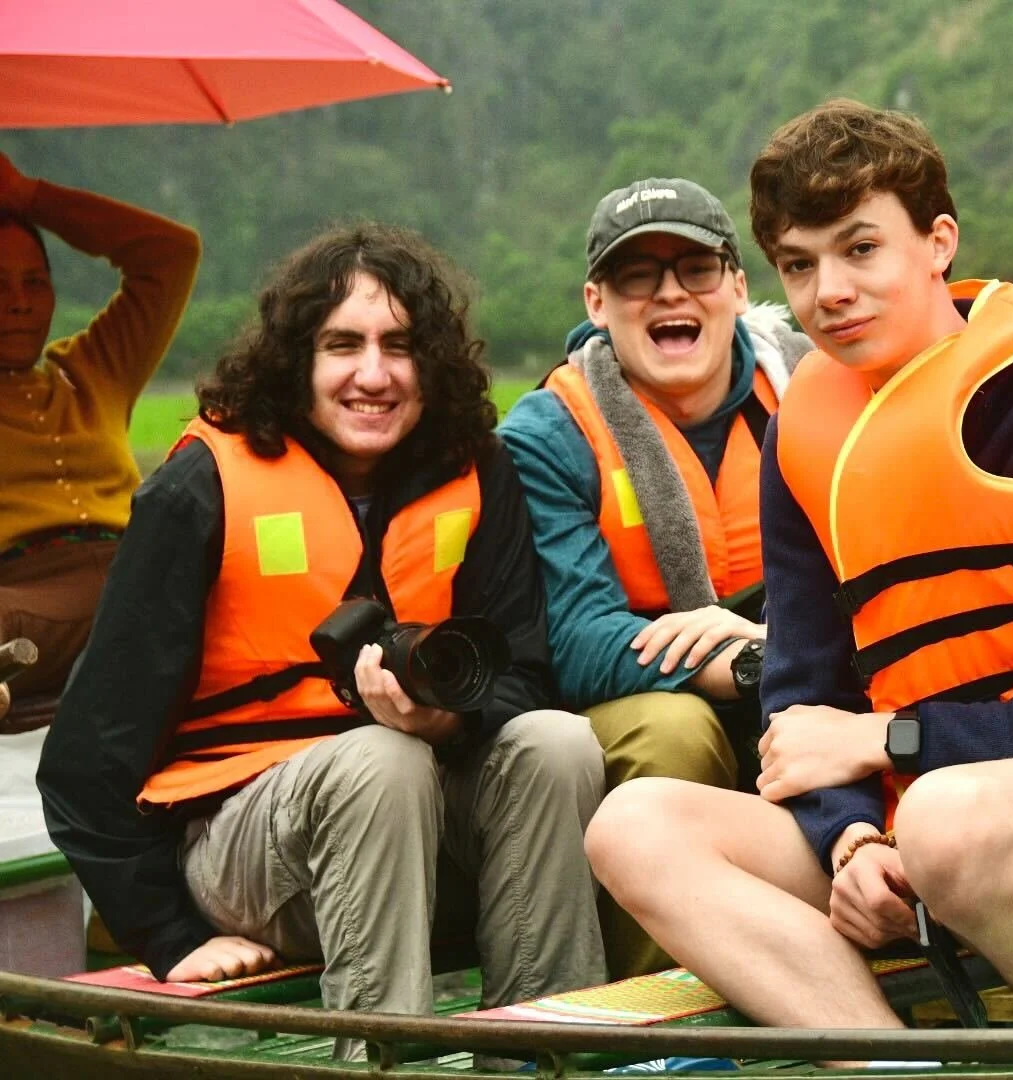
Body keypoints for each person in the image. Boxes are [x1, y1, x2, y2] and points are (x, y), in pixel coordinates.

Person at [584, 100, 1013, 1039]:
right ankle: (882, 1064)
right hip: (907, 814)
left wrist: (885, 745)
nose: (829, 293)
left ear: (938, 241)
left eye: (861, 249)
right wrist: (852, 838)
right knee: (634, 824)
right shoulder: (804, 439)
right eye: (799, 264)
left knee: (951, 823)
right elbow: (804, 705)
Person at [37, 224, 606, 1058]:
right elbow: (83, 762)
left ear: (433, 362)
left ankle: (541, 1054)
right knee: (380, 762)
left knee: (557, 743)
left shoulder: (477, 470)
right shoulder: (204, 485)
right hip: (246, 853)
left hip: (422, 841)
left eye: (400, 347)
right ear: (297, 359)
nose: (372, 375)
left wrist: (442, 721)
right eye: (343, 345)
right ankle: (380, 1061)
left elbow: (524, 673)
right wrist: (169, 932)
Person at [500, 178, 809, 977]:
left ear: (738, 288)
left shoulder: (819, 387)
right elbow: (577, 642)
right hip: (646, 705)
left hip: (805, 662)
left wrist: (788, 652)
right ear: (597, 301)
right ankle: (670, 1013)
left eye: (695, 268)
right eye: (638, 275)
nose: (669, 291)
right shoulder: (547, 432)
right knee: (676, 733)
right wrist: (752, 665)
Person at [0, 152, 200, 733]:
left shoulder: (94, 369)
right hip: (28, 601)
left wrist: (28, 195)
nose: (18, 301)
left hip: (145, 572)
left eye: (35, 281)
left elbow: (171, 253)